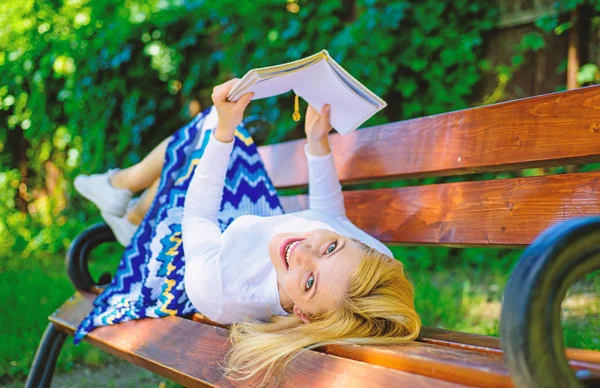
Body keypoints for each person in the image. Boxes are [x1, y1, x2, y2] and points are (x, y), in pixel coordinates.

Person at [73, 78, 421, 386]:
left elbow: (196, 215)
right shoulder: (371, 262)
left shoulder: (222, 289)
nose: (302, 251)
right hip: (245, 226)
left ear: (301, 314)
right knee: (210, 127)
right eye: (330, 247)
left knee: (210, 129)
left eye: (309, 281)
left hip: (184, 250)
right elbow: (332, 220)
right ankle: (126, 205)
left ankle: (125, 198)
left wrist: (223, 133)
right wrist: (317, 144)